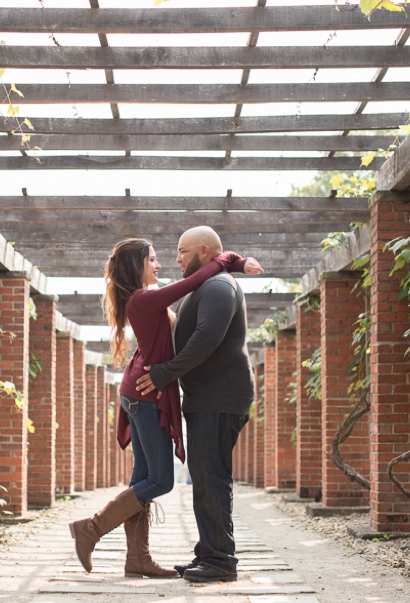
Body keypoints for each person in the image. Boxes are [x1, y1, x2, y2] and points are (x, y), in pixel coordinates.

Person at [69, 238, 262, 578]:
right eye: (153, 259)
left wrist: (232, 262)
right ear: (136, 266)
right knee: (160, 480)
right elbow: (192, 281)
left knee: (143, 478)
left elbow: (199, 278)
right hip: (144, 393)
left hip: (142, 391)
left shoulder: (146, 298)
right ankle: (92, 529)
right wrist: (232, 260)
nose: (162, 264)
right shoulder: (143, 299)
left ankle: (137, 559)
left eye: (171, 255)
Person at [135, 226, 255, 583]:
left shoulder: (219, 287)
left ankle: (220, 561)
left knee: (210, 476)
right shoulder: (209, 284)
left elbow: (206, 339)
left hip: (220, 398)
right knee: (205, 475)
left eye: (183, 251)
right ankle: (209, 552)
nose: (177, 258)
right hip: (210, 398)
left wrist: (165, 373)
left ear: (204, 251)